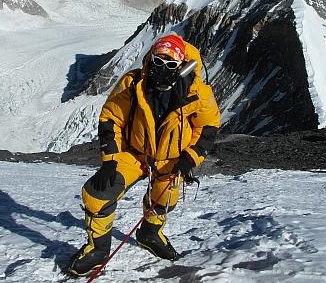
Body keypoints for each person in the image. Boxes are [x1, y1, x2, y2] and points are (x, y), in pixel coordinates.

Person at [67, 33, 221, 276]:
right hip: (134, 154)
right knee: (98, 194)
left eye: (170, 64)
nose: (162, 68)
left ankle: (150, 234)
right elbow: (111, 119)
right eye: (158, 62)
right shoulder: (133, 83)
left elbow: (208, 127)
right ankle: (97, 250)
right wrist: (110, 160)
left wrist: (191, 156)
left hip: (171, 158)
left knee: (165, 197)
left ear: (180, 66)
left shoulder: (196, 91)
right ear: (150, 59)